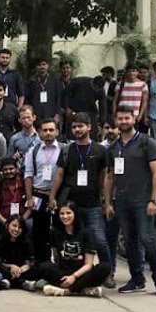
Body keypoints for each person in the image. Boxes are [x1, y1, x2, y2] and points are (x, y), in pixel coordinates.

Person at [104, 107, 156, 297]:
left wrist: (154, 200)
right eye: (120, 118)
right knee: (129, 242)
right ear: (116, 121)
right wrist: (108, 203)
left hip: (143, 201)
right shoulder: (114, 147)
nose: (123, 121)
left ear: (134, 119)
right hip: (122, 202)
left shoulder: (147, 142)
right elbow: (109, 176)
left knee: (147, 239)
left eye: (127, 118)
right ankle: (137, 278)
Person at [48, 113, 113, 285]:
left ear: (89, 127)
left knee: (99, 239)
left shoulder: (100, 150)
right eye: (74, 127)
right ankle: (66, 270)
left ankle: (108, 273)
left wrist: (106, 200)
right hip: (70, 204)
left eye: (80, 126)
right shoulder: (67, 150)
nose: (77, 129)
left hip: (92, 203)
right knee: (67, 239)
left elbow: (105, 176)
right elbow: (59, 174)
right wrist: (52, 196)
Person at [31, 203, 110, 297]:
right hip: (63, 274)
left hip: (81, 274)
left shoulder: (87, 234)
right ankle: (83, 290)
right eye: (62, 213)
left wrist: (74, 276)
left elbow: (88, 264)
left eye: (68, 213)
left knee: (105, 267)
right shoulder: (54, 232)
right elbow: (56, 258)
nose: (65, 216)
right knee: (44, 266)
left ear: (75, 214)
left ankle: (67, 291)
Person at [23, 118, 62, 262]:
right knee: (39, 232)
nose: (48, 133)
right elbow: (28, 175)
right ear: (39, 132)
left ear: (57, 132)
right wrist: (29, 198)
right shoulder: (33, 150)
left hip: (58, 196)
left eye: (51, 130)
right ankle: (41, 263)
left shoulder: (64, 149)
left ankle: (61, 263)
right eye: (45, 130)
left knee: (60, 230)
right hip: (39, 194)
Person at [0, 217, 35, 290]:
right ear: (7, 226)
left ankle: (10, 281)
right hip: (6, 269)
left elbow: (29, 263)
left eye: (20, 227)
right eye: (14, 226)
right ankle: (21, 283)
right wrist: (11, 266)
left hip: (21, 271)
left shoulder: (26, 242)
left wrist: (23, 268)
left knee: (38, 265)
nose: (16, 229)